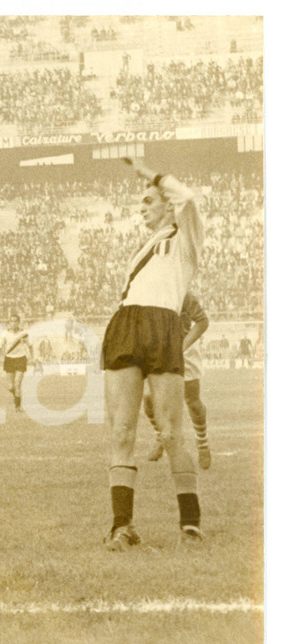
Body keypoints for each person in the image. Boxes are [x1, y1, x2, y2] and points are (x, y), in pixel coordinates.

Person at [101, 158, 204, 551]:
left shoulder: (184, 236)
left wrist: (150, 173)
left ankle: (190, 523)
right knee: (123, 430)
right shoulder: (140, 249)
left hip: (162, 327)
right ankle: (121, 527)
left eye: (148, 201)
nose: (142, 208)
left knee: (171, 431)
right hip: (127, 325)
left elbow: (189, 197)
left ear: (166, 203)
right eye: (141, 202)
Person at [143, 291, 211, 469]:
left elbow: (203, 321)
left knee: (192, 400)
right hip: (159, 350)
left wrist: (182, 346)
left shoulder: (183, 293)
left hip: (184, 350)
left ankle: (202, 444)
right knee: (149, 400)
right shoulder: (149, 294)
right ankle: (160, 437)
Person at [0, 313, 31, 412]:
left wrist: (31, 356)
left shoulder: (23, 333)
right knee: (11, 387)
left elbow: (29, 345)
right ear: (9, 323)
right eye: (12, 321)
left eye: (16, 321)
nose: (14, 323)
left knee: (17, 384)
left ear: (19, 322)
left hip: (21, 359)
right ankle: (16, 395)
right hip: (9, 360)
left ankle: (17, 407)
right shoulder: (5, 334)